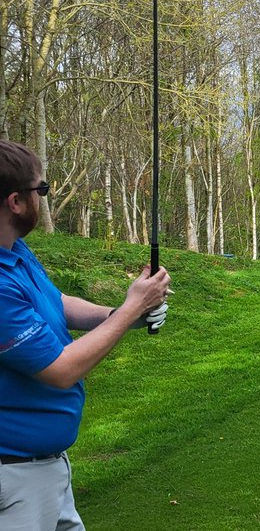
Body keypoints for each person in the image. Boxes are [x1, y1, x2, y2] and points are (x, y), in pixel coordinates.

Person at [0, 139, 172, 530]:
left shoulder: (15, 250)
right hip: (13, 477)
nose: (43, 197)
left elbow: (57, 302)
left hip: (46, 467)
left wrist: (123, 315)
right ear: (16, 201)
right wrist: (132, 307)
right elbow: (62, 370)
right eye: (41, 190)